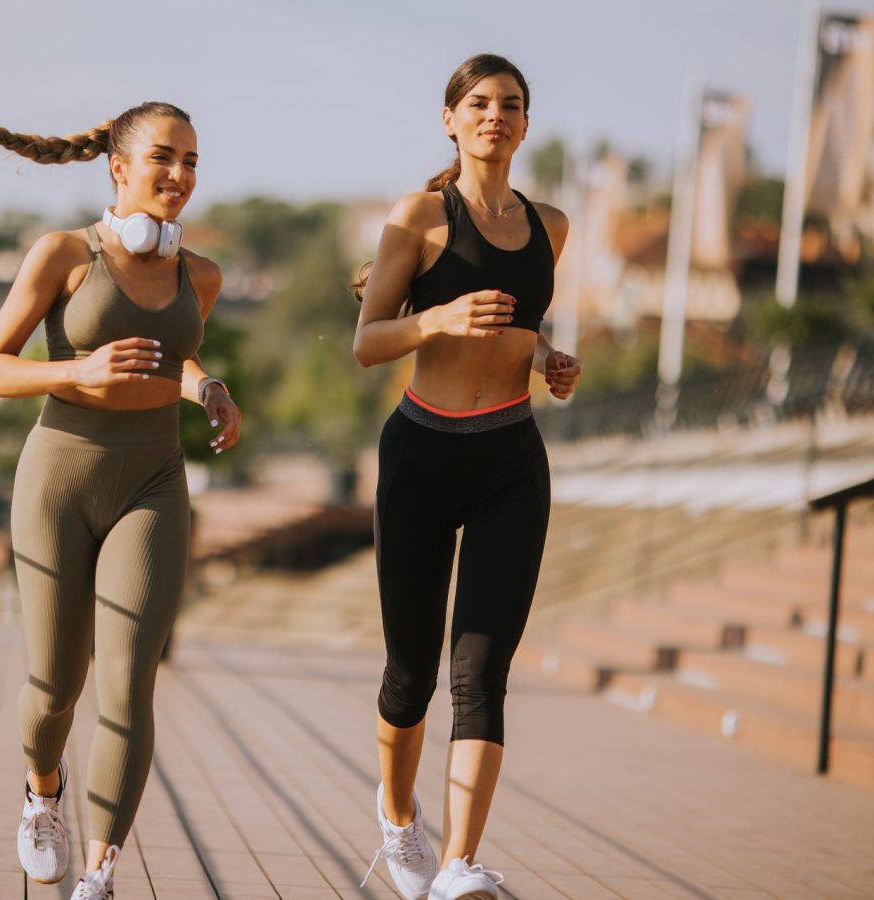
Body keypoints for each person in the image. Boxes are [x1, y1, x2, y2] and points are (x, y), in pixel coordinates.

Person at [0, 102, 240, 900]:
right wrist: (75, 371)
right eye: (164, 159)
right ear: (119, 165)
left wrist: (206, 385)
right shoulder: (63, 256)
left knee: (129, 681)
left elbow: (171, 358)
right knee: (53, 686)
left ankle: (100, 875)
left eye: (192, 162)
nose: (180, 176)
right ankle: (44, 795)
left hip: (153, 480)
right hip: (59, 478)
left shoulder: (198, 275)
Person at [351, 54, 582, 900]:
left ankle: (460, 863)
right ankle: (397, 812)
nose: (496, 115)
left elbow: (526, 322)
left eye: (511, 104)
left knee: (482, 671)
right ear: (450, 119)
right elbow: (369, 339)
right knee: (409, 673)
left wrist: (549, 358)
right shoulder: (419, 216)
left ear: (526, 125)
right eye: (479, 103)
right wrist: (438, 317)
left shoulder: (551, 225)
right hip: (421, 454)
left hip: (510, 462)